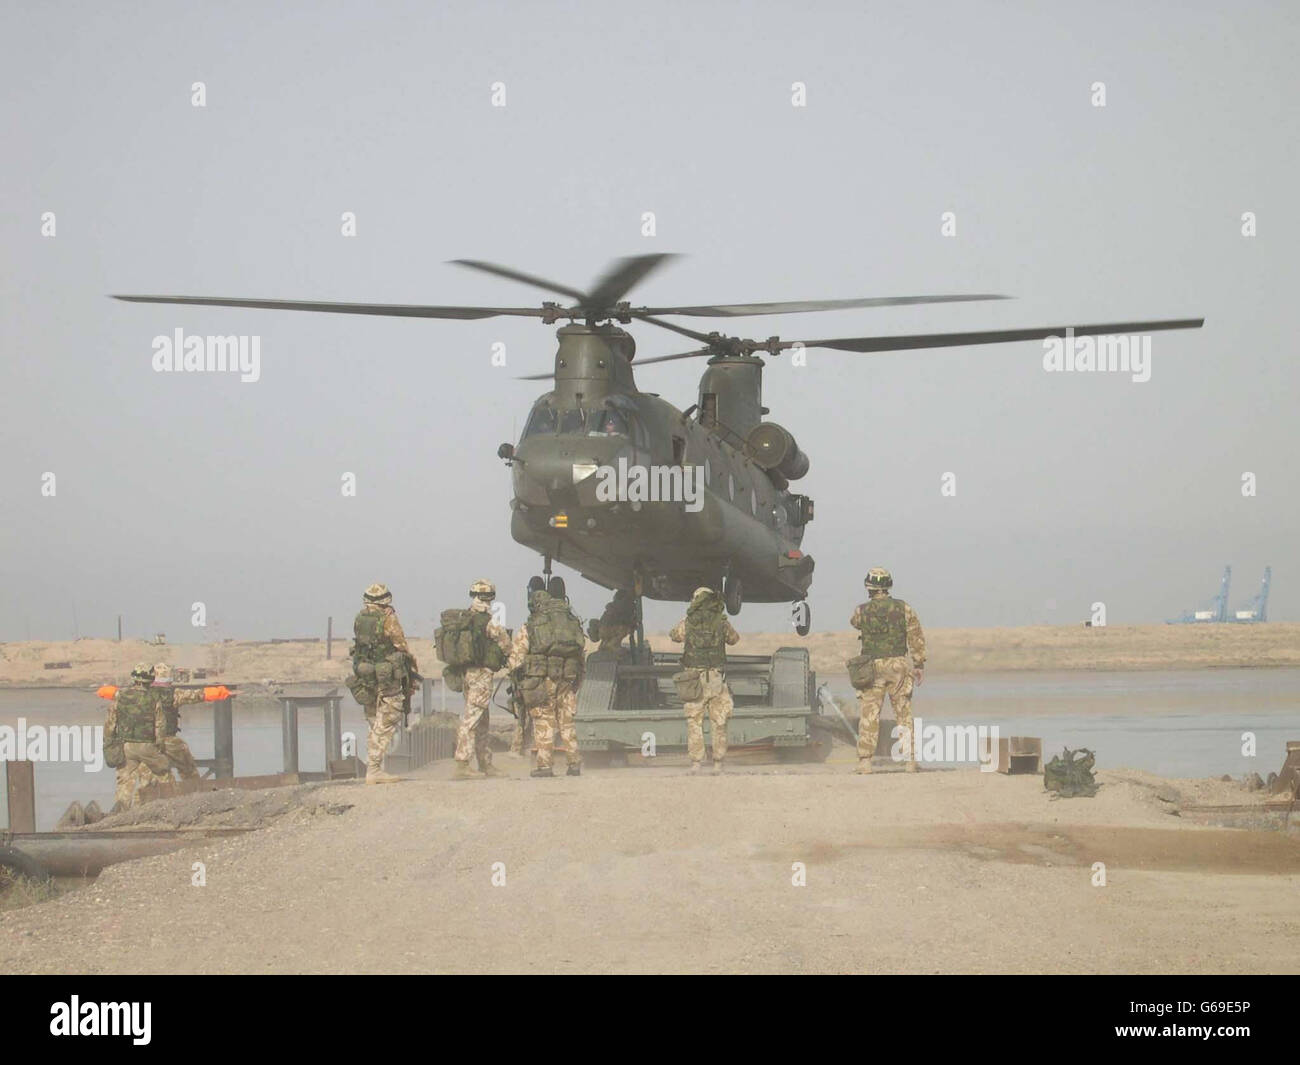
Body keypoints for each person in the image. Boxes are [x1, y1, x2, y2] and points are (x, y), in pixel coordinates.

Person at [849, 568, 926, 774]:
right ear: (889, 585)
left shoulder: (861, 611)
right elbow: (916, 637)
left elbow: (855, 623)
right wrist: (919, 664)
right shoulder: (904, 608)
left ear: (869, 587)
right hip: (898, 666)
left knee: (869, 714)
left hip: (872, 667)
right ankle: (910, 761)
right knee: (903, 712)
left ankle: (865, 762)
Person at [507, 589, 586, 778]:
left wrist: (516, 675)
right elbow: (581, 653)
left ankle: (544, 766)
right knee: (566, 721)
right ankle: (574, 763)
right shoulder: (570, 623)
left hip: (543, 681)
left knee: (544, 720)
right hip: (567, 679)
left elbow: (515, 659)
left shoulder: (532, 625)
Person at [349, 583, 418, 785]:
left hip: (366, 673)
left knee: (373, 718)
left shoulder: (359, 619)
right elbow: (400, 644)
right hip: (386, 676)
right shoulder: (388, 619)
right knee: (389, 716)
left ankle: (375, 766)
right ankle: (374, 769)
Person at [669, 586, 740, 775]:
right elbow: (734, 639)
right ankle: (718, 763)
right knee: (719, 721)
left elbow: (674, 635)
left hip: (693, 680)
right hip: (716, 679)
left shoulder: (688, 621)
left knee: (694, 721)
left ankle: (696, 764)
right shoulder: (722, 621)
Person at [450, 579, 512, 779]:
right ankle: (462, 764)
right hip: (481, 676)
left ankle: (485, 763)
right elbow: (506, 645)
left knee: (482, 720)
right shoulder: (488, 621)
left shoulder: (464, 619)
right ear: (491, 598)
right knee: (472, 718)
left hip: (467, 674)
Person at [100, 663, 172, 810]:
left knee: (124, 783)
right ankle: (148, 810)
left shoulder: (120, 697)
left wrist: (109, 744)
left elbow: (109, 725)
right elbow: (160, 725)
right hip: (147, 746)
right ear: (149, 680)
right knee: (162, 772)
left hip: (126, 746)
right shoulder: (153, 699)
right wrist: (160, 745)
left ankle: (120, 814)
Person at [589, 588, 636, 653]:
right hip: (609, 628)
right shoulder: (624, 605)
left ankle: (603, 646)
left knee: (608, 635)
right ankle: (613, 644)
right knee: (626, 629)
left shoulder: (612, 606)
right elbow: (624, 620)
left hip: (601, 631)